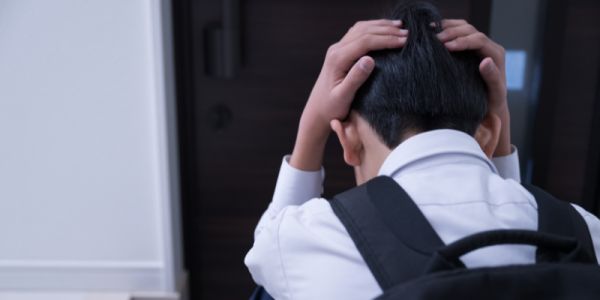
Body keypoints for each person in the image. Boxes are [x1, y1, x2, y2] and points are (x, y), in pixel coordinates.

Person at [245, 2, 600, 299]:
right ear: (491, 134)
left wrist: (313, 123)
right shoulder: (584, 233)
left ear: (348, 140)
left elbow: (264, 258)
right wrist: (497, 122)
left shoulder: (313, 240)